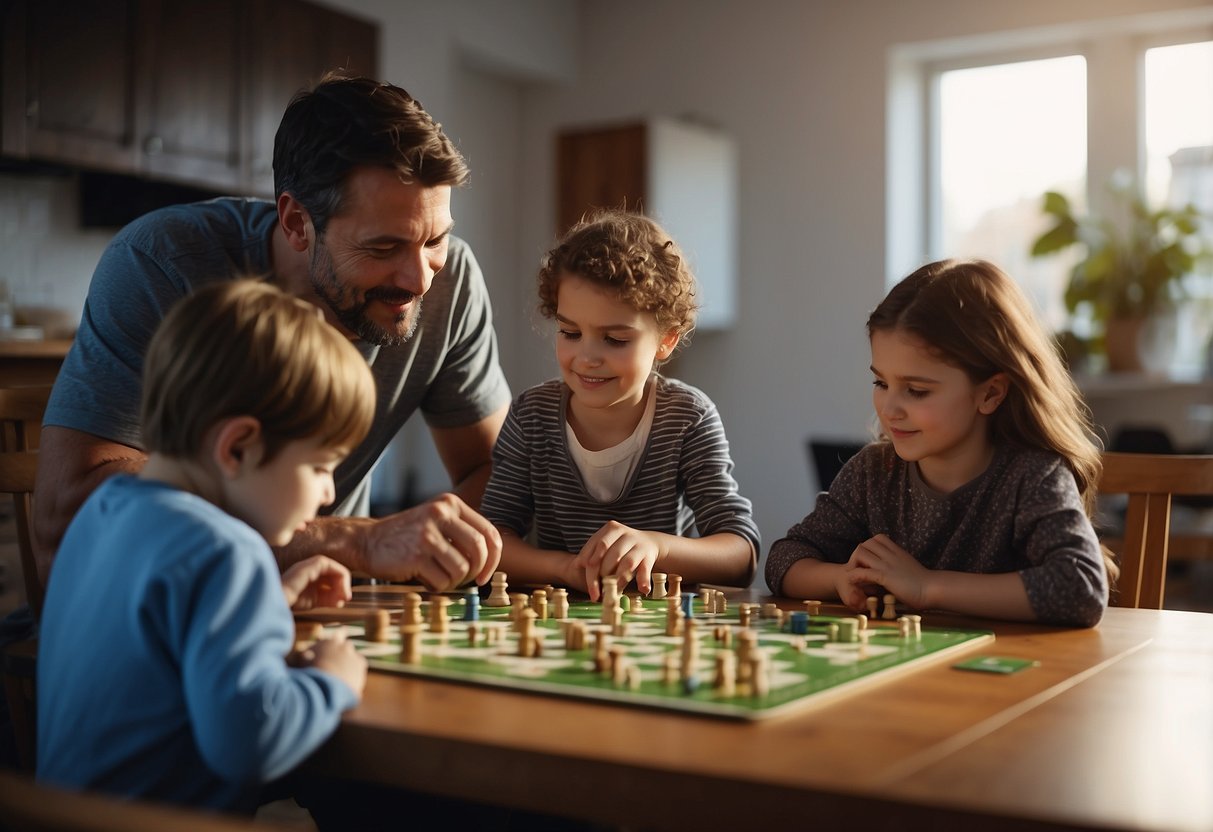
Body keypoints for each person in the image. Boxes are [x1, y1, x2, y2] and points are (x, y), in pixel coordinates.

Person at [33, 73, 509, 593]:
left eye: (436, 238)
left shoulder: (451, 278)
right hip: (164, 619)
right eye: (381, 248)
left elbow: (493, 473)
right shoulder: (162, 264)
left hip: (334, 610)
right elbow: (70, 517)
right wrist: (354, 541)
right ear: (297, 222)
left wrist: (443, 550)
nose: (418, 279)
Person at [36, 281, 369, 813]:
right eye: (321, 466)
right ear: (237, 447)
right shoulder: (229, 552)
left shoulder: (105, 510)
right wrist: (332, 682)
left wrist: (268, 601)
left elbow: (150, 639)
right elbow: (251, 743)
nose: (329, 492)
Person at [764, 259, 1111, 627]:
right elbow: (784, 560)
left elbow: (1081, 589)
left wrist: (929, 587)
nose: (890, 408)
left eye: (916, 390)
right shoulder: (873, 473)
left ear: (990, 393)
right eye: (881, 383)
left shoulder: (1033, 476)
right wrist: (839, 579)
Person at [481, 209, 760, 601]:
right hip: (556, 627)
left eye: (614, 339)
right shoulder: (531, 416)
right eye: (570, 332)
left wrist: (657, 547)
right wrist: (566, 569)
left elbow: (740, 555)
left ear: (666, 340)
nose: (587, 357)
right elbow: (491, 541)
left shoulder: (688, 418)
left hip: (659, 633)